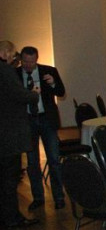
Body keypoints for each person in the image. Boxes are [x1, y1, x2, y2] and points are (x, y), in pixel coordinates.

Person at [17, 46, 67, 211]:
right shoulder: (16, 74)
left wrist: (53, 83)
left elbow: (61, 92)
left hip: (46, 119)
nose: (28, 65)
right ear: (21, 60)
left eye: (32, 62)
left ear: (36, 59)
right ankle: (38, 197)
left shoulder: (49, 71)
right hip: (27, 120)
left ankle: (59, 197)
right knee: (32, 162)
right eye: (25, 61)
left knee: (54, 159)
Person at [0, 41, 40, 228]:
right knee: (10, 178)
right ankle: (12, 218)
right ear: (6, 53)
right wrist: (34, 94)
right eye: (13, 54)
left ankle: (5, 216)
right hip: (9, 134)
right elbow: (20, 96)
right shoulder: (6, 71)